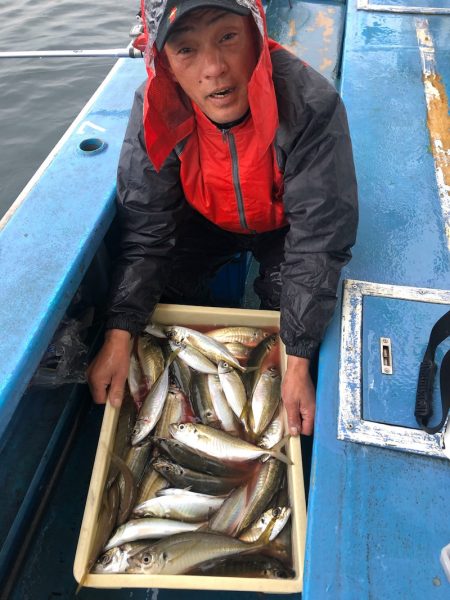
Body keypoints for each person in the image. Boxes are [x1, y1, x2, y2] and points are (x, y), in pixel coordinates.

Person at [87, 0, 358, 436]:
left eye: (228, 37)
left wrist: (298, 357)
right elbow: (146, 230)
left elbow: (319, 238)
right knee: (162, 309)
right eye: (186, 50)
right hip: (204, 220)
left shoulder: (309, 103)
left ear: (257, 36)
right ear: (166, 64)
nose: (213, 68)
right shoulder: (156, 107)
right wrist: (119, 331)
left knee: (295, 322)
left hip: (282, 227)